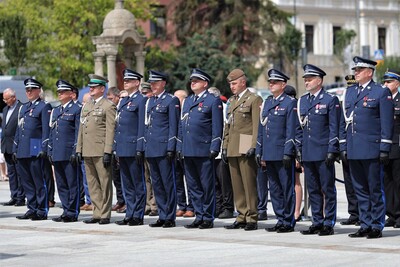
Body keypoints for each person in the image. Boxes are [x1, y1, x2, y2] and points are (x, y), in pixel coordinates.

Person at [343, 56, 393, 239]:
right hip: (355, 148)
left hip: (372, 149)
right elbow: (345, 121)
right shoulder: (350, 93)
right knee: (360, 189)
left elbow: (387, 123)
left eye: (359, 70)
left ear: (369, 72)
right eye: (355, 70)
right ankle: (364, 223)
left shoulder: (381, 92)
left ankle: (376, 225)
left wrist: (385, 148)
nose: (355, 72)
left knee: (374, 188)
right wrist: (344, 146)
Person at [296, 64, 340, 236]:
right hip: (308, 152)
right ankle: (317, 221)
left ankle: (328, 222)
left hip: (323, 152)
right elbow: (299, 128)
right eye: (305, 79)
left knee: (327, 188)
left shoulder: (330, 100)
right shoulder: (303, 101)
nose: (306, 82)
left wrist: (332, 149)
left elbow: (334, 127)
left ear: (320, 81)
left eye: (310, 79)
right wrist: (298, 149)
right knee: (312, 189)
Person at [177, 68, 223, 229]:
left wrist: (215, 146)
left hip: (204, 150)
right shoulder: (188, 101)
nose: (192, 83)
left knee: (206, 185)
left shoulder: (212, 100)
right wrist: (179, 146)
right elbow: (182, 125)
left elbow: (217, 127)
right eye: (191, 81)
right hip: (188, 150)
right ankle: (199, 215)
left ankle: (208, 217)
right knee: (193, 185)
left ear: (205, 83)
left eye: (196, 80)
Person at [256, 69, 297, 233]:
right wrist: (260, 150)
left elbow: (291, 130)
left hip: (282, 152)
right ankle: (280, 218)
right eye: (270, 82)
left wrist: (289, 151)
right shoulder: (267, 103)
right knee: (274, 189)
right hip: (269, 152)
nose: (271, 85)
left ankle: (288, 220)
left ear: (283, 85)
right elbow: (261, 128)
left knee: (286, 187)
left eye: (275, 82)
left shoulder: (289, 102)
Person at [223, 68, 262, 231]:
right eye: (230, 84)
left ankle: (252, 216)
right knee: (237, 184)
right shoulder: (231, 101)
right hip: (233, 144)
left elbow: (256, 125)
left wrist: (254, 145)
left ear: (243, 82)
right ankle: (241, 215)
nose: (232, 86)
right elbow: (228, 124)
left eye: (234, 83)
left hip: (246, 143)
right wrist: (224, 146)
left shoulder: (253, 99)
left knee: (248, 182)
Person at [76, 74, 116, 225]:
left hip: (100, 150)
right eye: (90, 87)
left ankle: (105, 213)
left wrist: (108, 151)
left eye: (94, 87)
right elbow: (82, 128)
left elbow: (110, 130)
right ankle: (97, 212)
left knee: (104, 182)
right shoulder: (87, 105)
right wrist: (79, 149)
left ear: (102, 89)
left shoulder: (108, 105)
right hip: (87, 149)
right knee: (92, 183)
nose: (91, 89)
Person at [145, 70, 180, 228]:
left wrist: (171, 147)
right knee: (157, 184)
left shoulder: (170, 100)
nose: (153, 86)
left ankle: (170, 216)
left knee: (167, 183)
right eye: (151, 83)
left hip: (164, 147)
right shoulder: (151, 101)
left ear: (163, 83)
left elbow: (174, 126)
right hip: (152, 148)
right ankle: (162, 214)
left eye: (156, 83)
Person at [14, 78, 52, 220]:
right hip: (23, 148)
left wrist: (44, 147)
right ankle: (32, 207)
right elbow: (19, 130)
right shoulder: (23, 108)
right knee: (26, 181)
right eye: (27, 90)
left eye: (31, 89)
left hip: (35, 147)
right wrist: (15, 148)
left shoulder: (43, 107)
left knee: (38, 180)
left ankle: (42, 210)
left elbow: (45, 130)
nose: (29, 92)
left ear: (38, 91)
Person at [114, 69, 147, 226]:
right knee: (126, 183)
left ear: (137, 83)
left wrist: (140, 147)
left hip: (133, 147)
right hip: (122, 147)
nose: (125, 82)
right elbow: (118, 126)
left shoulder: (141, 100)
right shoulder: (124, 101)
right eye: (125, 80)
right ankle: (129, 212)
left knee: (137, 182)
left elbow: (142, 126)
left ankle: (138, 214)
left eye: (129, 80)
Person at [48, 80, 81, 222]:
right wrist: (50, 150)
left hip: (68, 153)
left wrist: (76, 150)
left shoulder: (76, 109)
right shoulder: (56, 110)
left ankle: (72, 212)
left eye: (63, 92)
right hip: (57, 152)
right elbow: (52, 132)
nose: (60, 94)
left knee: (72, 183)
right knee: (61, 183)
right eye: (59, 92)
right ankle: (66, 210)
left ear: (71, 94)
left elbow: (78, 132)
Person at [208, 86, 235, 219]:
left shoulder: (224, 108)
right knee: (215, 183)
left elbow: (226, 128)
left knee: (225, 182)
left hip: (222, 151)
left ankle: (228, 207)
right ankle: (218, 207)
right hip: (211, 151)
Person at [340, 75, 360, 226]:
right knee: (348, 181)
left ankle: (363, 213)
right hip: (347, 144)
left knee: (361, 182)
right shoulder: (345, 97)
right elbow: (342, 123)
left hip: (360, 144)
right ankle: (354, 213)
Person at [381, 69, 400, 228]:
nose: (385, 85)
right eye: (384, 82)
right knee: (387, 181)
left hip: (398, 146)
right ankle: (392, 214)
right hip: (385, 146)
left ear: (397, 83)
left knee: (398, 181)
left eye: (389, 82)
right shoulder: (383, 99)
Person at [1, 88, 25, 206]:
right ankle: (14, 195)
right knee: (11, 173)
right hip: (6, 146)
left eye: (6, 99)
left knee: (19, 172)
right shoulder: (5, 109)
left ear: (13, 97)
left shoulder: (21, 108)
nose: (5, 101)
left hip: (17, 145)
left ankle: (21, 197)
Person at [174, 89, 195, 218]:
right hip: (176, 149)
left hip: (188, 149)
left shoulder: (188, 111)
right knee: (177, 179)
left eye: (179, 98)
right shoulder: (173, 110)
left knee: (190, 180)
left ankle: (191, 207)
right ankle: (181, 205)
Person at [284, 85, 303, 222]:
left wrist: (297, 154)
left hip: (294, 149)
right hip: (284, 148)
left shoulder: (295, 108)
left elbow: (297, 131)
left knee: (296, 181)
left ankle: (296, 211)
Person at [106, 86, 126, 213]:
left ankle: (126, 202)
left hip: (123, 147)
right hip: (113, 147)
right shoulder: (112, 109)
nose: (110, 101)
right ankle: (121, 200)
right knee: (116, 178)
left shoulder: (121, 109)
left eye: (111, 98)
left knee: (126, 178)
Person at [141, 82, 158, 216]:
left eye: (146, 93)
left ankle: (155, 205)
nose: (144, 95)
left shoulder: (155, 104)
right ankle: (147, 204)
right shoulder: (145, 105)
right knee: (146, 177)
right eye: (143, 93)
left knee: (155, 177)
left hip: (155, 147)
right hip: (145, 146)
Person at [79, 93, 93, 211]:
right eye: (82, 102)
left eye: (85, 102)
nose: (83, 104)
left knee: (93, 178)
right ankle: (89, 200)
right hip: (83, 149)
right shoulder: (82, 112)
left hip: (93, 149)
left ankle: (93, 201)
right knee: (85, 178)